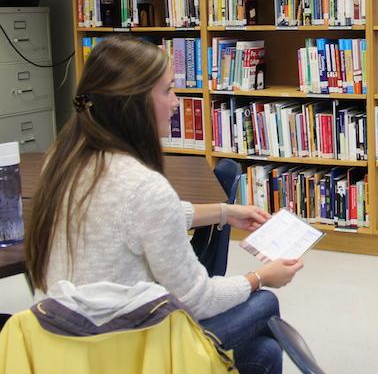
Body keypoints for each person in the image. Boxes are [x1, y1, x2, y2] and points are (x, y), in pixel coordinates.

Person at [25, 36, 303, 374]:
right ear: (135, 102)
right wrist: (261, 276)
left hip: (64, 341)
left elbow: (132, 217)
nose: (176, 102)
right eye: (168, 90)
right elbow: (197, 300)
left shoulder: (65, 158)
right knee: (264, 302)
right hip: (125, 350)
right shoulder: (143, 186)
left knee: (263, 353)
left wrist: (224, 212)